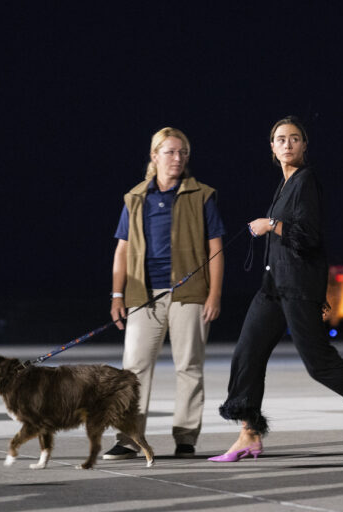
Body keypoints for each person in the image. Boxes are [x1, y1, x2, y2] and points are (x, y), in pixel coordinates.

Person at [210, 116, 343, 462]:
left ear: (304, 146)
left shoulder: (306, 181)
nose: (287, 144)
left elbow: (308, 237)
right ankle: (249, 434)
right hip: (273, 286)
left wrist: (270, 224)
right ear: (272, 148)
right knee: (247, 354)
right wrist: (272, 224)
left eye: (294, 139)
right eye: (280, 139)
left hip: (298, 286)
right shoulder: (285, 185)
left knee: (319, 363)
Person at [103, 127, 225, 460]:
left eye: (183, 152)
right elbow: (122, 250)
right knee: (134, 368)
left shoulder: (202, 195)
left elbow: (216, 249)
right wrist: (117, 295)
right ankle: (129, 437)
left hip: (190, 292)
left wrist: (214, 294)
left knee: (189, 366)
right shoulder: (135, 198)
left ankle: (186, 437)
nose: (177, 158)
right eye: (170, 152)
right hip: (143, 294)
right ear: (154, 155)